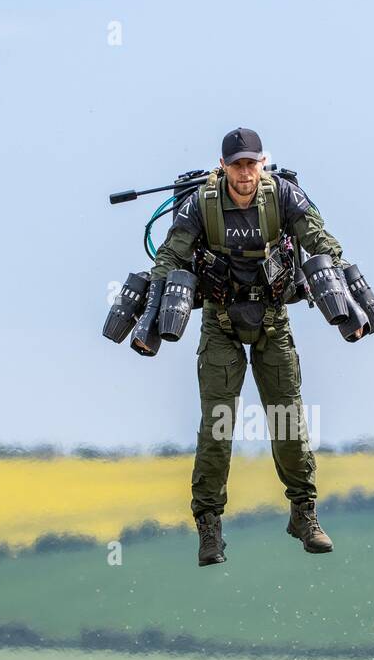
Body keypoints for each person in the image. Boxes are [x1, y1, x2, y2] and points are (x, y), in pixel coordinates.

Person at [146, 127, 359, 566]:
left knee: (288, 421)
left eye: (252, 163)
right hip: (220, 322)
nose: (245, 173)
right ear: (222, 166)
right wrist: (150, 297)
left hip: (272, 319)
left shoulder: (283, 197)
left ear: (263, 163)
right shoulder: (200, 205)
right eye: (237, 164)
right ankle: (209, 528)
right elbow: (170, 255)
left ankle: (304, 514)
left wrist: (347, 286)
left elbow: (320, 241)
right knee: (218, 426)